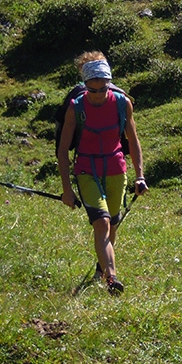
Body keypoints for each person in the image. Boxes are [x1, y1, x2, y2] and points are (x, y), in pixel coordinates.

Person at [57, 51, 147, 295]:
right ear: (85, 86)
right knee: (102, 222)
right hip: (86, 169)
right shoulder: (76, 107)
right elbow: (63, 150)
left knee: (112, 226)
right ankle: (112, 278)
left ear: (109, 83)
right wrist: (67, 189)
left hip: (116, 168)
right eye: (92, 90)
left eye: (102, 88)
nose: (97, 95)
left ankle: (101, 269)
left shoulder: (122, 103)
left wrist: (140, 175)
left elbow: (133, 140)